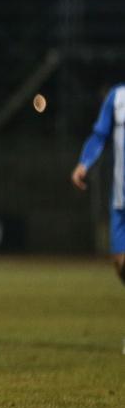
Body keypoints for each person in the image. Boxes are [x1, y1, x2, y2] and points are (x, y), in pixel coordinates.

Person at [71, 84, 125, 354]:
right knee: (120, 266)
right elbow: (99, 135)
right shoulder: (117, 98)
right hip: (120, 199)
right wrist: (84, 164)